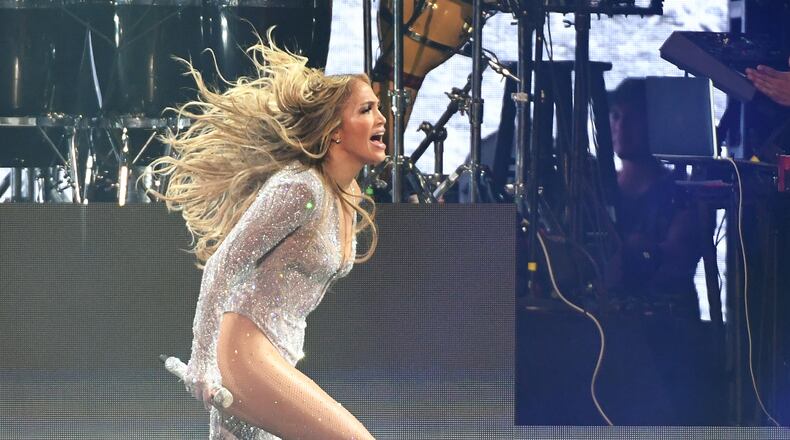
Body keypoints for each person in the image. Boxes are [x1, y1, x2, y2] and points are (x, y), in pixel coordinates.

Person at [150, 33, 387, 439]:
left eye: (379, 108)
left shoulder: (345, 193)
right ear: (335, 132)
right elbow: (222, 266)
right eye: (367, 110)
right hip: (247, 353)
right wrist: (203, 359)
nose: (382, 118)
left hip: (280, 354)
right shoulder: (301, 189)